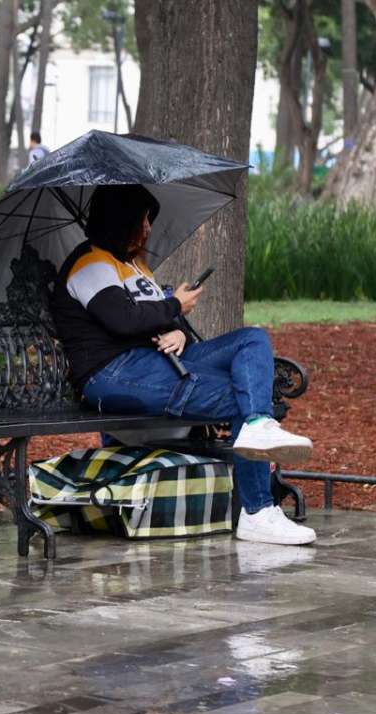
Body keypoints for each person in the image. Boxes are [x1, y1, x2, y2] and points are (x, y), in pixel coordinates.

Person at [50, 184, 316, 546]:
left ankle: (257, 425)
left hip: (161, 357)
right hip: (113, 372)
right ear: (121, 220)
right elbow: (122, 320)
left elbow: (150, 315)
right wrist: (175, 307)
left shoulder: (133, 264)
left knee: (252, 340)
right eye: (143, 220)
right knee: (239, 396)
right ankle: (257, 511)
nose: (147, 229)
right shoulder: (91, 265)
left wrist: (177, 331)